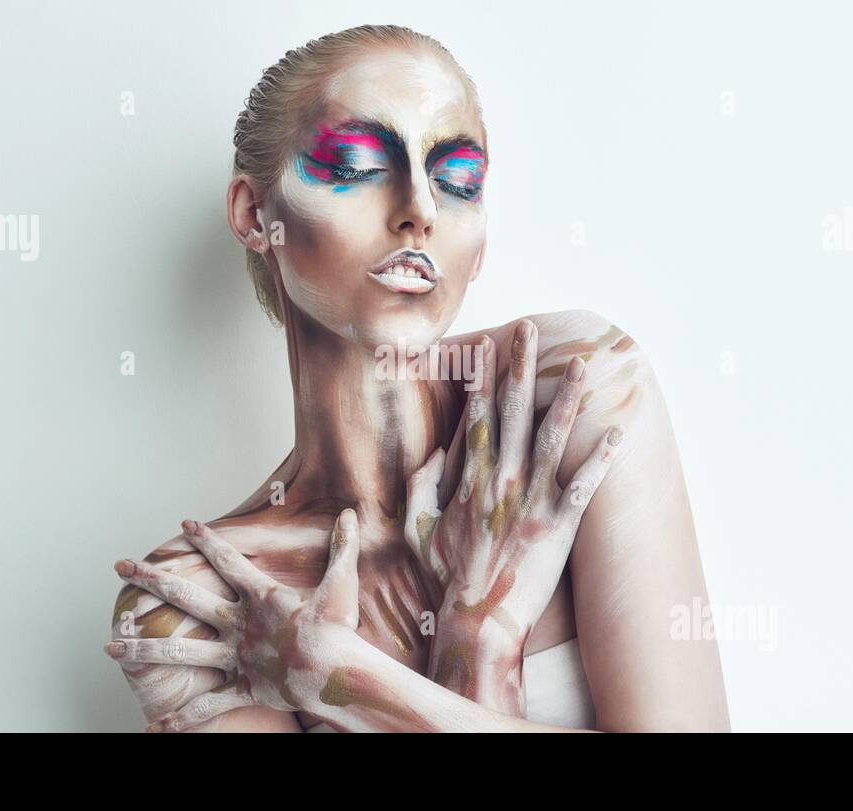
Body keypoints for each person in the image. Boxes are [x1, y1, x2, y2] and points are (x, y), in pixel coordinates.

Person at [104, 24, 729, 732]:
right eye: (358, 166)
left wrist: (336, 676)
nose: (421, 211)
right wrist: (478, 643)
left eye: (457, 181)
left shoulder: (575, 393)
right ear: (255, 214)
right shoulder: (201, 604)